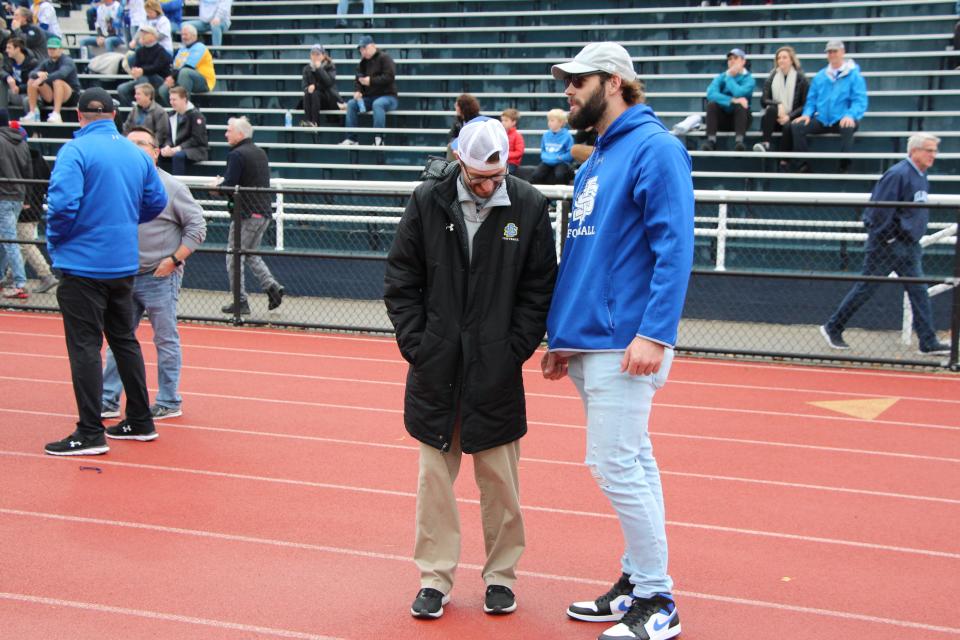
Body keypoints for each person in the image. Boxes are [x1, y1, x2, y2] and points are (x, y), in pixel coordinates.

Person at [543, 42, 694, 640]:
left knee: (613, 465)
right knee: (634, 461)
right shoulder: (599, 158)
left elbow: (675, 247)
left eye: (577, 81)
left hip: (627, 340)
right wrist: (563, 334)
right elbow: (583, 256)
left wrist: (655, 332)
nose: (568, 92)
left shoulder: (656, 148)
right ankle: (636, 580)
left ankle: (658, 598)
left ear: (613, 81)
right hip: (592, 341)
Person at [384, 117, 557, 620]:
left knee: (501, 484)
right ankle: (434, 578)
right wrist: (420, 345)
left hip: (495, 369)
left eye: (496, 178)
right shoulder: (427, 200)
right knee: (434, 483)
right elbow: (401, 278)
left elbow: (539, 287)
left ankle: (501, 577)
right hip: (437, 368)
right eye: (479, 178)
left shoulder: (528, 205)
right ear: (459, 161)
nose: (488, 187)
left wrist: (512, 349)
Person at [43, 87, 168, 456]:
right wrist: (123, 221)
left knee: (84, 346)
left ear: (79, 116)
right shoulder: (135, 153)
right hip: (122, 263)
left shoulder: (76, 150)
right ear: (114, 115)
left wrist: (57, 242)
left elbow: (62, 206)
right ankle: (141, 420)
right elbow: (155, 202)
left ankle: (90, 432)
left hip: (82, 263)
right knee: (123, 340)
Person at [101, 126, 207, 422]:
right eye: (128, 143)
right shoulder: (116, 185)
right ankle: (108, 399)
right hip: (123, 276)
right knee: (118, 339)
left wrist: (173, 260)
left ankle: (169, 400)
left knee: (165, 339)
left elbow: (198, 229)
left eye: (141, 143)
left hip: (160, 276)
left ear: (156, 152)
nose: (134, 148)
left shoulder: (172, 187)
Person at [820, 133, 949, 356]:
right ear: (914, 151)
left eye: (935, 151)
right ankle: (833, 326)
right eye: (929, 150)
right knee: (866, 289)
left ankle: (928, 341)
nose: (933, 155)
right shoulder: (898, 174)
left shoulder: (921, 175)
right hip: (888, 246)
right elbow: (879, 211)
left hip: (909, 245)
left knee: (919, 292)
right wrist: (889, 239)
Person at [215, 116, 283, 315]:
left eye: (229, 130)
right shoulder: (260, 152)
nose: (226, 134)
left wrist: (216, 187)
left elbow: (230, 186)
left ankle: (240, 300)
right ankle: (272, 287)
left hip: (246, 213)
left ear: (240, 134)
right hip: (263, 211)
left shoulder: (237, 154)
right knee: (250, 253)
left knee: (233, 255)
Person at [791, 39, 867, 173]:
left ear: (842, 52)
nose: (832, 54)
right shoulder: (820, 76)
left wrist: (850, 115)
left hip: (842, 117)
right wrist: (807, 114)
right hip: (823, 119)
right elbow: (812, 99)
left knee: (848, 126)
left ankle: (845, 165)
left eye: (835, 51)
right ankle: (802, 164)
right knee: (797, 126)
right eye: (829, 52)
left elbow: (859, 100)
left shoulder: (854, 76)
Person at [754, 45, 809, 170]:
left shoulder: (801, 79)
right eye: (779, 58)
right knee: (771, 109)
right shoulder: (772, 76)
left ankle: (784, 161)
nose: (781, 60)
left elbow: (805, 105)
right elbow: (764, 100)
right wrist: (778, 104)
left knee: (789, 125)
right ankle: (765, 144)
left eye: (784, 57)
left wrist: (788, 116)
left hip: (792, 116)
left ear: (791, 60)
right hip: (775, 117)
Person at [339, 35, 397, 146]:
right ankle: (352, 139)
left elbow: (389, 77)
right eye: (361, 49)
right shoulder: (362, 63)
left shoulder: (385, 58)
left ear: (373, 46)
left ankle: (379, 139)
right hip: (369, 98)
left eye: (365, 48)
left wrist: (371, 81)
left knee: (378, 104)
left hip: (388, 96)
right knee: (351, 104)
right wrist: (358, 91)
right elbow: (358, 80)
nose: (363, 51)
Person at [0, 106, 31, 299]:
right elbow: (28, 170)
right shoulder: (21, 141)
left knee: (9, 240)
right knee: (4, 239)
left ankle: (20, 282)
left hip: (3, 196)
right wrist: (26, 197)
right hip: (18, 195)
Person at [700, 47, 754, 152]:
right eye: (729, 59)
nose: (732, 61)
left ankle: (739, 141)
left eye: (735, 58)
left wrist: (729, 78)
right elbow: (710, 94)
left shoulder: (749, 79)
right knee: (712, 105)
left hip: (741, 120)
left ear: (743, 61)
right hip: (723, 119)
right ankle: (711, 141)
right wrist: (732, 100)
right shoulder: (721, 77)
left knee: (740, 105)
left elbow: (739, 93)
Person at [22, 35, 79, 123]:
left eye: (54, 49)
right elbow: (32, 73)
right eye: (49, 48)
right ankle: (32, 112)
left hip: (70, 95)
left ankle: (56, 113)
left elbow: (61, 74)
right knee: (32, 81)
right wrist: (38, 74)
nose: (51, 51)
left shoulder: (67, 61)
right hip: (51, 94)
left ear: (60, 49)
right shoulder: (46, 62)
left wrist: (42, 79)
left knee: (57, 82)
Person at [158, 23, 216, 105]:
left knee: (185, 72)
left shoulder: (200, 47)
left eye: (186, 35)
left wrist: (173, 77)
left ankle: (185, 108)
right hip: (180, 77)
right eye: (182, 35)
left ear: (194, 36)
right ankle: (176, 109)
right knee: (163, 89)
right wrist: (170, 78)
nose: (183, 37)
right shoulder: (182, 49)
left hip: (203, 80)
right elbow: (175, 67)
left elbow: (189, 66)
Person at [116, 24, 172, 106]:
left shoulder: (161, 51)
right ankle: (129, 112)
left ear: (153, 36)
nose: (142, 36)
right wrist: (135, 71)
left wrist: (142, 71)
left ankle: (145, 107)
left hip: (159, 81)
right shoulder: (139, 51)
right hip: (142, 80)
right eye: (141, 34)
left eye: (145, 34)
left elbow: (156, 67)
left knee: (143, 77)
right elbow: (136, 65)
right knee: (122, 88)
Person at [160, 85, 208, 175]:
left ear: (184, 99)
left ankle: (177, 186)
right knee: (159, 154)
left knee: (178, 156)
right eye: (170, 99)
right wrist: (167, 147)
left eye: (174, 99)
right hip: (178, 149)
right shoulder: (171, 115)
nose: (171, 102)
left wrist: (177, 149)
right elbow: (168, 136)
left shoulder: (196, 116)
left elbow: (197, 139)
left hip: (196, 150)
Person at [528, 108, 574, 185]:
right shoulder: (546, 135)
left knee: (560, 175)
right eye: (548, 120)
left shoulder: (567, 136)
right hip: (547, 161)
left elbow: (570, 153)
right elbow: (543, 150)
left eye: (552, 120)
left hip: (561, 162)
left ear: (560, 122)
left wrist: (561, 158)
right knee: (535, 175)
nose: (549, 123)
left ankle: (562, 195)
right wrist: (546, 157)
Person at [300, 43, 341, 127]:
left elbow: (328, 83)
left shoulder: (330, 66)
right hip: (313, 99)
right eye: (313, 54)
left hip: (327, 98)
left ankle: (315, 122)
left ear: (323, 56)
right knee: (307, 94)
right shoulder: (306, 69)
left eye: (318, 54)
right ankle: (308, 121)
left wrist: (319, 69)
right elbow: (304, 85)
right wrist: (308, 88)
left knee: (315, 93)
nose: (315, 57)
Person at [122, 82, 171, 148]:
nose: (135, 96)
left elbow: (161, 135)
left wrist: (146, 145)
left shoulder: (160, 112)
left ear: (148, 96)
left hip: (149, 146)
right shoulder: (135, 109)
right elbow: (126, 128)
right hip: (133, 144)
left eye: (138, 94)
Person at [1, 36, 37, 109]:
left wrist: (19, 89)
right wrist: (8, 77)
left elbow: (35, 83)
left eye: (9, 48)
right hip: (13, 93)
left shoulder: (32, 63)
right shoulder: (9, 60)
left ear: (17, 49)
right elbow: (1, 71)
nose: (6, 50)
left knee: (27, 100)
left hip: (27, 94)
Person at [500, 107, 524, 174]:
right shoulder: (499, 135)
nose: (503, 123)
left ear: (514, 122)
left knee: (506, 174)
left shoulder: (517, 136)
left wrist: (505, 155)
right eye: (502, 120)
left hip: (512, 163)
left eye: (506, 120)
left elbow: (519, 152)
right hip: (501, 162)